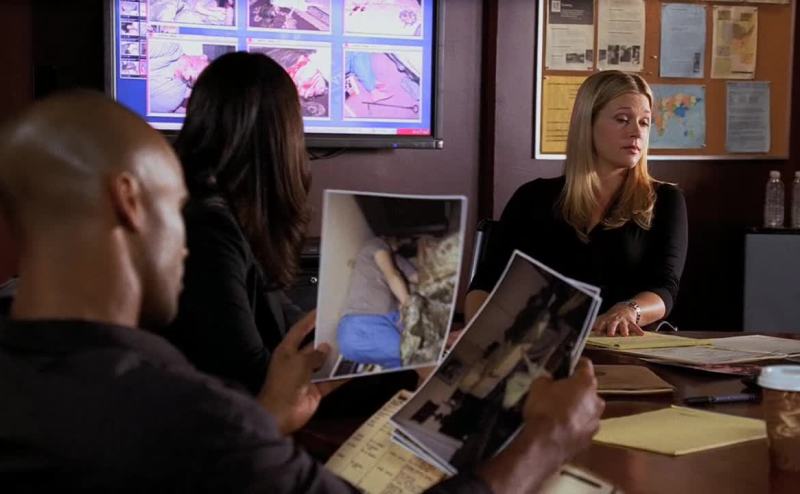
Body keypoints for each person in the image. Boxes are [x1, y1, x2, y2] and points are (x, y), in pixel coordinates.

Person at [0, 91, 605, 493]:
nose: (184, 243)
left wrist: (267, 416)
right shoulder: (193, 420)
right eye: (175, 208)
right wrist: (544, 440)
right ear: (129, 202)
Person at [467, 70, 688, 337]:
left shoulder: (665, 200)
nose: (636, 132)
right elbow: (486, 283)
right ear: (587, 123)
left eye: (644, 122)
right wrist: (478, 335)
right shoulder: (533, 197)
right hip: (535, 347)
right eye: (622, 119)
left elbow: (665, 288)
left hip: (618, 344)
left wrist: (630, 310)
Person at [165, 51, 312, 394]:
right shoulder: (208, 232)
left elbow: (283, 321)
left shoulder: (210, 210)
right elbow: (253, 375)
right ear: (282, 136)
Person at [336, 236, 417, 370]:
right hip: (362, 325)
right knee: (413, 357)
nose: (400, 243)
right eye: (399, 240)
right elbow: (393, 275)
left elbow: (418, 278)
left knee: (409, 359)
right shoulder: (376, 244)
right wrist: (408, 304)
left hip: (384, 322)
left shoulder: (398, 259)